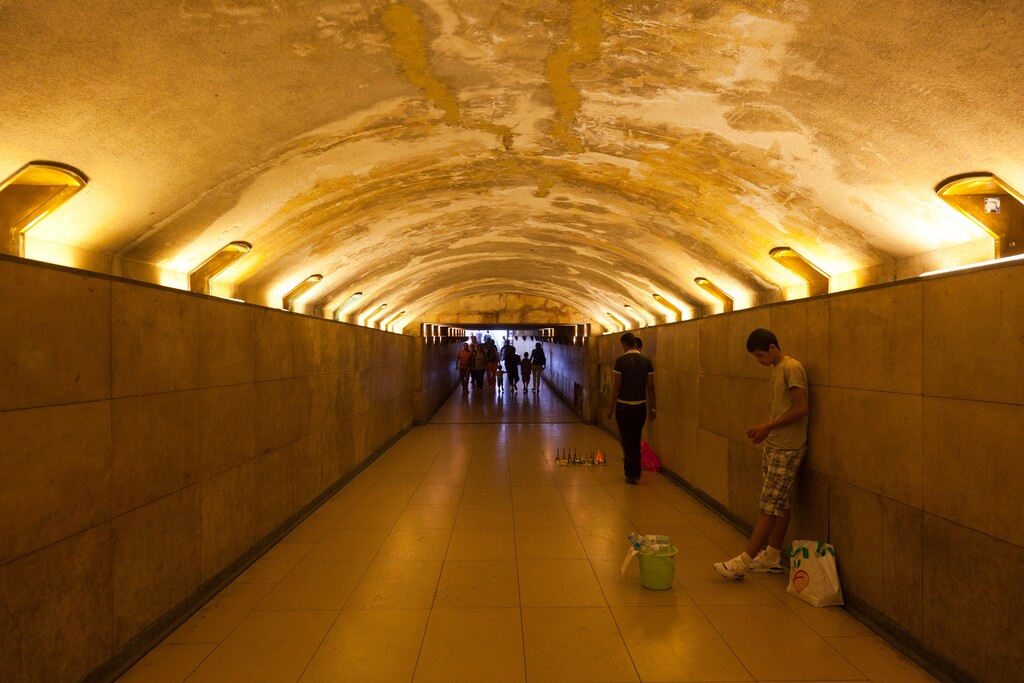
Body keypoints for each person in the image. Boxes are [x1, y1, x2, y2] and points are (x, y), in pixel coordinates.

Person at [714, 328, 809, 579]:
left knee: (768, 506)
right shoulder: (776, 369)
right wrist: (764, 427)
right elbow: (782, 410)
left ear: (772, 348)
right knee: (780, 503)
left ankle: (743, 562)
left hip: (788, 447)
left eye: (760, 356)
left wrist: (768, 427)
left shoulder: (792, 367)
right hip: (776, 444)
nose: (759, 362)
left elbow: (802, 408)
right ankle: (772, 556)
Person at [605, 332, 655, 484]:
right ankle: (636, 470)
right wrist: (653, 407)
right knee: (636, 437)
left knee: (627, 440)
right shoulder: (647, 361)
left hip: (624, 407)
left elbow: (617, 386)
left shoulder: (621, 361)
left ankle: (631, 473)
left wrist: (610, 407)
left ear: (625, 344)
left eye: (622, 345)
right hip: (640, 407)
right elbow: (651, 386)